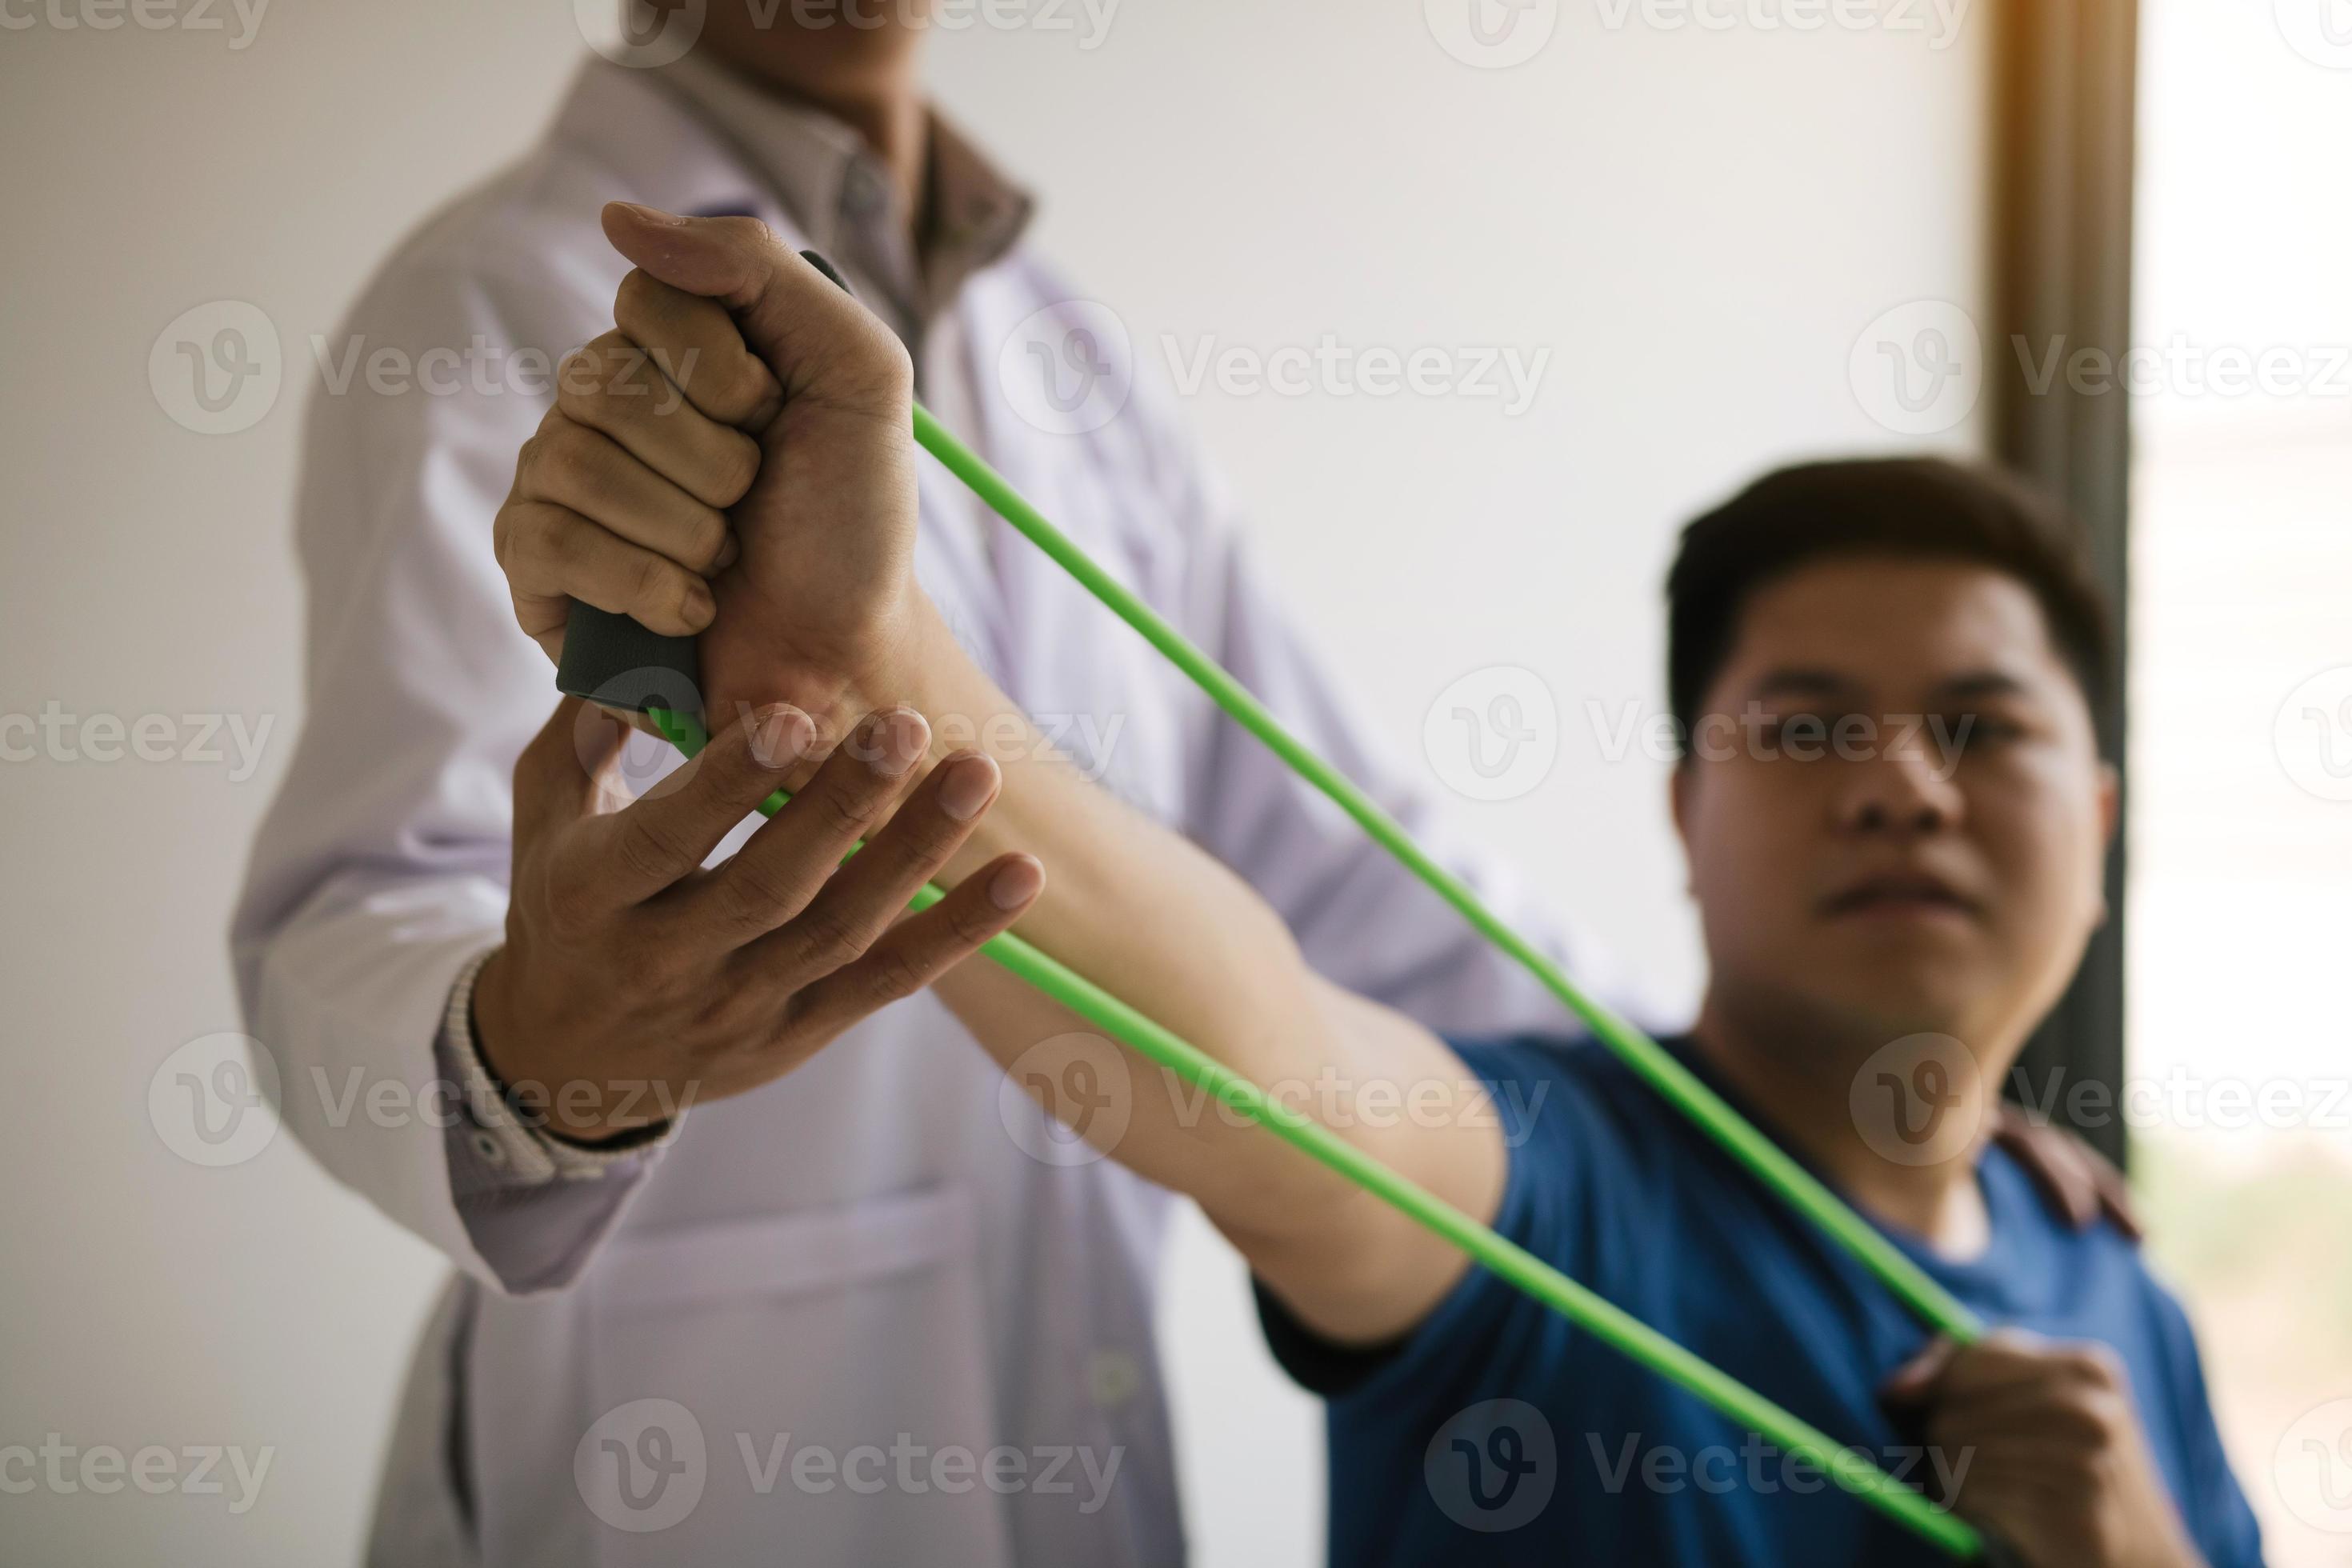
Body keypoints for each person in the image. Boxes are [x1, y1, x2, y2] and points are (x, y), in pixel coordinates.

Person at [514, 209, 2263, 1566]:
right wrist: (860, 670)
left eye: (1979, 724)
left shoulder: (2125, 1297)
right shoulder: (1570, 1171)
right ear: (1681, 807)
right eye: (1808, 726)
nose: (1897, 780)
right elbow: (1258, 1054)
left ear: (2097, 822)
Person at [226, 14, 1650, 1564]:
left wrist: (1735, 1103)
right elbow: (358, 908)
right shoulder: (491, 298)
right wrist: (532, 1053)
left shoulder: (1073, 353)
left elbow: (1358, 873)